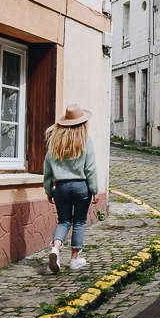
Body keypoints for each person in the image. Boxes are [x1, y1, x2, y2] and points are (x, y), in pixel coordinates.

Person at [42, 104, 98, 272]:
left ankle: (55, 249)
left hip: (61, 187)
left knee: (64, 221)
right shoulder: (85, 140)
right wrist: (94, 190)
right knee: (79, 221)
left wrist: (48, 190)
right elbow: (91, 168)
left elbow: (47, 168)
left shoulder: (55, 142)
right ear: (82, 123)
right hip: (81, 186)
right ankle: (74, 259)